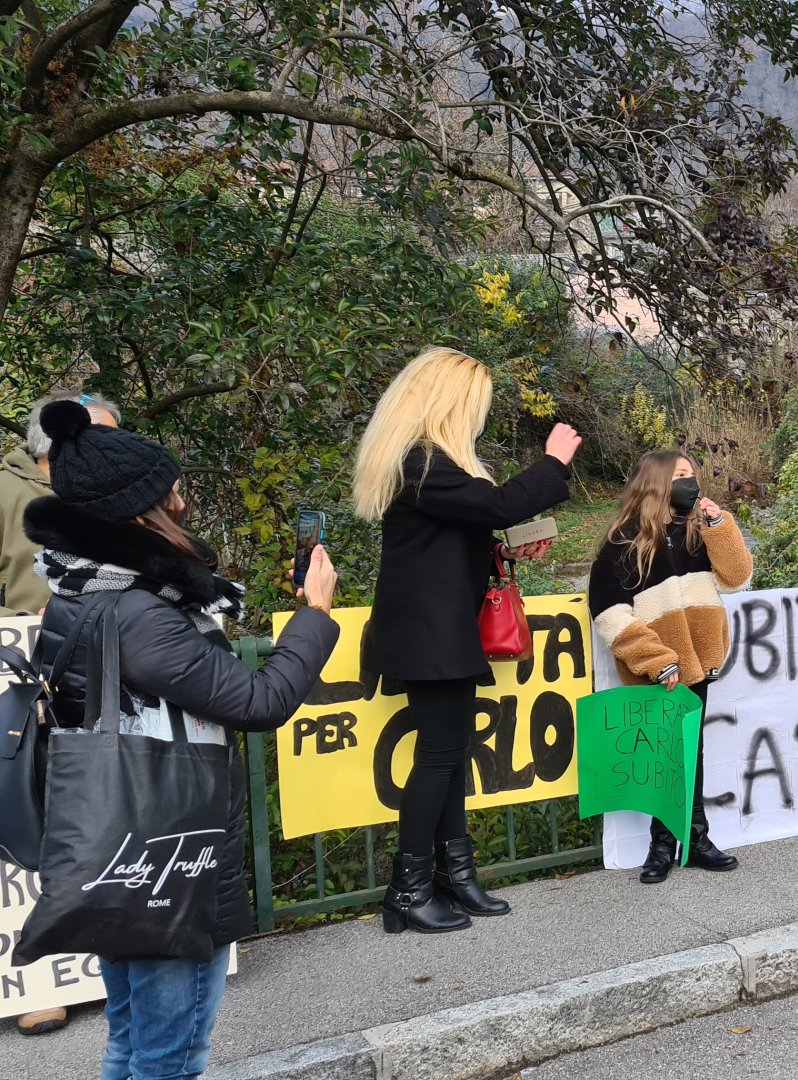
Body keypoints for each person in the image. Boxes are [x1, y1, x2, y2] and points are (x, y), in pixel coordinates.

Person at [22, 400, 340, 1080]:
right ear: (143, 508)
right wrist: (314, 615)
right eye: (173, 489)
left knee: (130, 1043)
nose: (184, 498)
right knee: (170, 1056)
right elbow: (259, 701)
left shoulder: (78, 589)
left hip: (115, 848)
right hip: (167, 855)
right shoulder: (141, 612)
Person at [353, 347, 580, 933]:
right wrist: (553, 464)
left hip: (435, 631)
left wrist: (503, 550)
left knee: (448, 758)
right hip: (428, 635)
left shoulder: (426, 464)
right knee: (438, 759)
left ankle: (455, 878)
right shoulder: (421, 461)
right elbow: (498, 504)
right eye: (475, 405)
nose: (479, 417)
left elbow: (454, 538)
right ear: (450, 403)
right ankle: (407, 892)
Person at [0, 392, 118, 1040]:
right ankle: (37, 983)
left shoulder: (106, 500)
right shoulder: (4, 494)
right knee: (26, 825)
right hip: (20, 695)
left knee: (96, 820)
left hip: (96, 687)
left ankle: (96, 962)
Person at [588, 450, 754, 883]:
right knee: (665, 753)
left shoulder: (698, 533)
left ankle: (694, 839)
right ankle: (663, 846)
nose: (691, 482)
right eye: (680, 475)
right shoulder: (624, 541)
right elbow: (609, 613)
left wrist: (720, 525)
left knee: (690, 749)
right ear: (657, 482)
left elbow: (737, 577)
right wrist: (658, 661)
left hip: (699, 664)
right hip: (658, 668)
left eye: (693, 475)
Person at [1, 394, 119, 620]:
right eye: (106, 437)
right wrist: (24, 621)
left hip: (117, 642)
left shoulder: (120, 496)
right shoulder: (5, 491)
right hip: (29, 646)